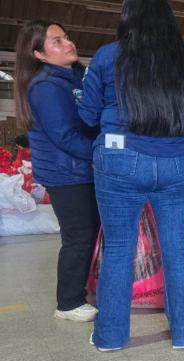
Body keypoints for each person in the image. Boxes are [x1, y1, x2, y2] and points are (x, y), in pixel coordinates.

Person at [79, 0, 184, 351]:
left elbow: (88, 116)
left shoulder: (108, 56)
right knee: (178, 249)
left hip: (121, 158)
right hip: (180, 160)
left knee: (119, 250)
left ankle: (110, 337)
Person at [14, 20, 100, 323]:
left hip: (81, 170)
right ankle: (68, 303)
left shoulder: (73, 77)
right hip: (67, 174)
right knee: (78, 237)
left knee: (89, 234)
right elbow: (64, 136)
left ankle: (83, 290)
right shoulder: (47, 87)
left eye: (66, 37)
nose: (67, 43)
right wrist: (102, 154)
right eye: (56, 41)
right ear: (38, 54)